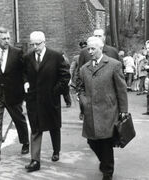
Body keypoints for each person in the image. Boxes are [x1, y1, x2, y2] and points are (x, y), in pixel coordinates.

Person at [77, 36, 128, 180]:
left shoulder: (113, 65)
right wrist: (83, 100)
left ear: (101, 48)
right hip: (90, 111)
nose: (90, 52)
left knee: (105, 142)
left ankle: (108, 172)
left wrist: (123, 110)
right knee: (91, 141)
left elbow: (121, 90)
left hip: (108, 111)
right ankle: (104, 162)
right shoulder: (84, 68)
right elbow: (80, 87)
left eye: (93, 48)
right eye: (88, 49)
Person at [23, 31, 70, 172]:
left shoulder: (55, 56)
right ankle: (35, 160)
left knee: (54, 127)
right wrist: (25, 82)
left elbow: (65, 76)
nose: (35, 47)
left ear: (44, 42)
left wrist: (54, 92)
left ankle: (56, 150)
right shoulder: (27, 57)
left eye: (38, 44)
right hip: (34, 100)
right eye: (33, 44)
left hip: (50, 100)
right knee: (35, 129)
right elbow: (23, 73)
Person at [0, 27, 30, 165]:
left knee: (19, 119)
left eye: (8, 38)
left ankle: (25, 141)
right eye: (3, 39)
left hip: (13, 93)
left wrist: (26, 83)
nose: (6, 41)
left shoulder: (17, 53)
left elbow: (24, 71)